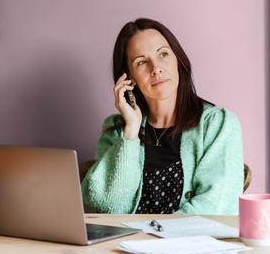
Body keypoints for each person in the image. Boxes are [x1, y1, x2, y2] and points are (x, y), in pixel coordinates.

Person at [81, 18, 244, 215]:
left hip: (189, 244)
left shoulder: (217, 124)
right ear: (129, 77)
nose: (155, 68)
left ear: (178, 61)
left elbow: (216, 207)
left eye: (163, 54)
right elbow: (109, 208)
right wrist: (131, 132)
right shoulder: (117, 130)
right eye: (141, 62)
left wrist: (155, 234)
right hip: (124, 244)